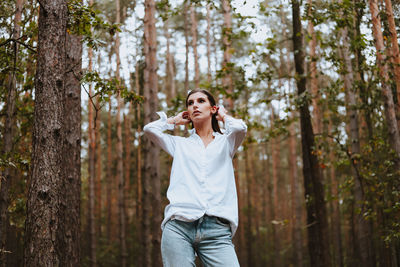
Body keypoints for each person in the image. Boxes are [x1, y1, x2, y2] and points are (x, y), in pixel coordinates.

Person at [143, 89, 247, 267]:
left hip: (217, 230)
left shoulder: (227, 142)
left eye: (200, 101)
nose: (195, 105)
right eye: (190, 103)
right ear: (188, 113)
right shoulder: (180, 144)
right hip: (179, 227)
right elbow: (149, 130)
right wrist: (174, 121)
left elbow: (239, 127)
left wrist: (222, 116)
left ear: (213, 108)